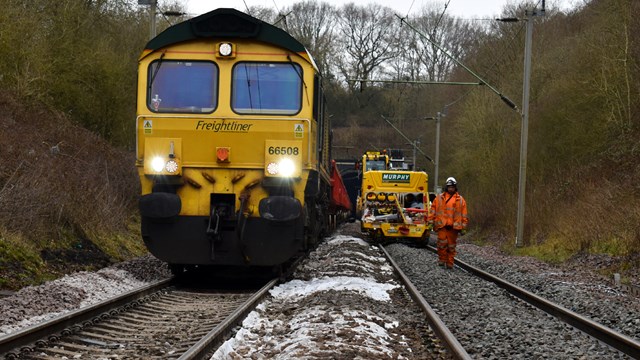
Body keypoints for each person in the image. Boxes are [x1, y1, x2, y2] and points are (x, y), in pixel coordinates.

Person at [427, 177, 468, 269]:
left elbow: (464, 214)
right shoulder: (439, 198)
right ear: (446, 187)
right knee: (441, 244)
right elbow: (432, 211)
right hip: (442, 225)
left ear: (455, 187)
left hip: (454, 228)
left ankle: (450, 263)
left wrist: (464, 227)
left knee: (451, 246)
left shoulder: (460, 200)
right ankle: (442, 260)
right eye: (449, 187)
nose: (451, 189)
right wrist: (430, 222)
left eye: (452, 187)